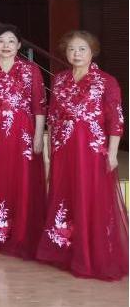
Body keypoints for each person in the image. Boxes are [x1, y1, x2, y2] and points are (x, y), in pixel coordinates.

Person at [36, 31, 128, 280]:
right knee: (66, 194)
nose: (76, 54)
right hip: (63, 148)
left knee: (90, 196)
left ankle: (91, 254)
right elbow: (54, 116)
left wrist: (112, 153)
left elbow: (116, 120)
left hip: (92, 149)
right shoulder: (60, 79)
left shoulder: (106, 81)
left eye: (82, 49)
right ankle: (65, 251)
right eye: (71, 49)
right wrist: (49, 148)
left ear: (92, 52)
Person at [0, 24, 46, 260]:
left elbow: (39, 106)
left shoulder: (31, 70)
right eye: (1, 41)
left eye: (11, 41)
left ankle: (21, 232)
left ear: (19, 45)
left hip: (23, 131)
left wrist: (38, 136)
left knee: (21, 178)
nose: (6, 46)